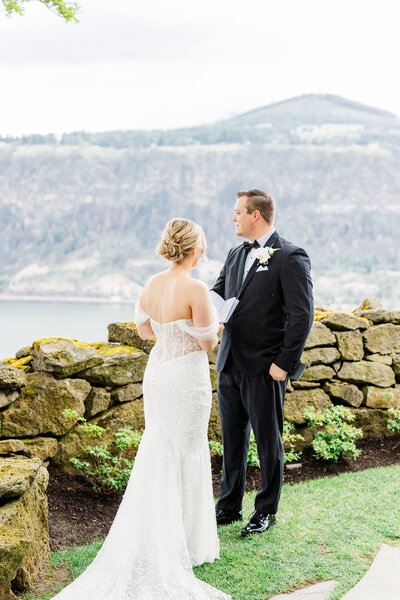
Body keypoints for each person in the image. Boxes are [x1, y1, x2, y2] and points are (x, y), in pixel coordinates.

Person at [50, 218, 230, 600]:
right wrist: (220, 322)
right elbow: (208, 344)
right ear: (194, 248)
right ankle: (188, 543)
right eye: (203, 245)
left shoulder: (151, 284)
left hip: (158, 374)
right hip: (185, 377)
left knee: (159, 448)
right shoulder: (196, 288)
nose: (205, 251)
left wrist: (179, 328)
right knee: (187, 451)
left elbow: (146, 331)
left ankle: (159, 535)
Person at [213, 189, 314, 536]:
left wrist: (284, 364)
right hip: (229, 363)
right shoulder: (234, 253)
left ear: (256, 215)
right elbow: (218, 293)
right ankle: (228, 506)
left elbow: (303, 315)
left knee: (269, 442)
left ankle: (265, 511)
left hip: (266, 367)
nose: (233, 218)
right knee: (231, 439)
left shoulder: (290, 256)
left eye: (238, 212)